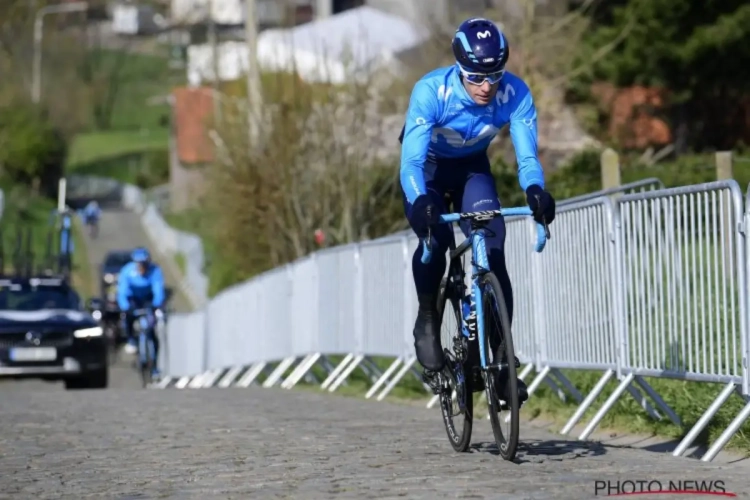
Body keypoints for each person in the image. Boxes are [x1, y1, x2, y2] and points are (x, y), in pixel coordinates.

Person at [399, 18, 557, 403]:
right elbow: (411, 164)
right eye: (476, 77)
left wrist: (536, 190)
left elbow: (527, 156)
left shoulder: (515, 93)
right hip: (429, 172)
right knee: (435, 240)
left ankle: (501, 360)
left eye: (495, 76)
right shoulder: (432, 92)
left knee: (495, 250)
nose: (487, 86)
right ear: (459, 68)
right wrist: (420, 202)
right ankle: (428, 319)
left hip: (472, 170)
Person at [117, 247, 166, 379]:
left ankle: (155, 366)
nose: (142, 266)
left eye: (144, 263)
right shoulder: (127, 271)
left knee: (151, 330)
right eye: (139, 263)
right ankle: (131, 340)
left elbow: (158, 290)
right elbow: (122, 292)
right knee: (127, 316)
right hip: (133, 300)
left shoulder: (155, 271)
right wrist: (125, 306)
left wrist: (156, 304)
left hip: (148, 301)